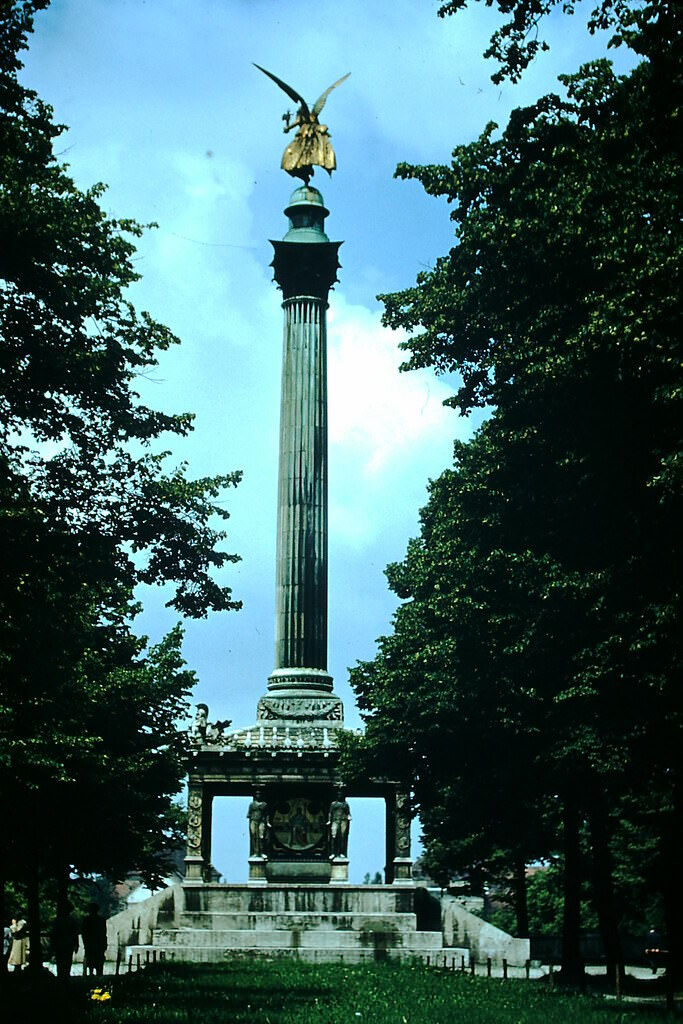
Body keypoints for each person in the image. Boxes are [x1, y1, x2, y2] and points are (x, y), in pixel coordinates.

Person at [52, 900, 80, 982]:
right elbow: (75, 934)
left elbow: (54, 934)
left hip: (59, 944)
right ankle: (66, 977)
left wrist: (53, 945)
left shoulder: (57, 920)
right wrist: (76, 944)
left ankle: (60, 976)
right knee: (67, 961)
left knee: (60, 962)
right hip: (68, 944)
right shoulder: (72, 921)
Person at [81, 903, 107, 977]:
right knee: (98, 961)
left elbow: (84, 933)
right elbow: (103, 933)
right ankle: (99, 975)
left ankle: (91, 973)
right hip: (99, 944)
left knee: (90, 960)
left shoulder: (86, 920)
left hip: (90, 943)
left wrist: (85, 943)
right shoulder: (101, 920)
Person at [327, 790, 351, 858]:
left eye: (341, 795)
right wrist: (329, 820)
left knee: (342, 837)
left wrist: (349, 817)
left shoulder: (345, 804)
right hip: (335, 820)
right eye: (339, 795)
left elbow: (348, 813)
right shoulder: (333, 804)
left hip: (343, 820)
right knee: (333, 836)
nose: (340, 796)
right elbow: (330, 812)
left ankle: (341, 852)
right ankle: (332, 852)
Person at [247, 790, 270, 858]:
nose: (258, 796)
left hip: (261, 821)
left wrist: (268, 822)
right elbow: (249, 814)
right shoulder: (252, 804)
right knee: (254, 836)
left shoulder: (264, 804)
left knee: (261, 836)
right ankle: (255, 852)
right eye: (257, 794)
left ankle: (262, 852)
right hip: (253, 821)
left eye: (259, 794)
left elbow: (267, 814)